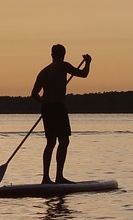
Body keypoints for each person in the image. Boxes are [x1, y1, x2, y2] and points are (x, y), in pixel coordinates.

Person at [31, 44, 91, 185]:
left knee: (51, 142)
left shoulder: (43, 71)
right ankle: (59, 177)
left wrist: (44, 103)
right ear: (63, 54)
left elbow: (34, 93)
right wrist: (88, 62)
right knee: (64, 141)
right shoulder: (63, 66)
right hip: (57, 106)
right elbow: (84, 74)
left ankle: (46, 178)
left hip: (47, 108)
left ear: (51, 55)